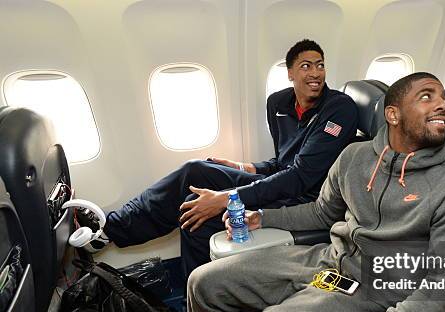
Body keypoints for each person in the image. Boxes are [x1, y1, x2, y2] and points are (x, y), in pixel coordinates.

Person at [94, 72, 445, 312]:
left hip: (376, 289)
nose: (442, 106)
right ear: (393, 114)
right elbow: (320, 212)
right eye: (427, 96)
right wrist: (260, 216)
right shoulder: (355, 158)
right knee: (203, 282)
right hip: (327, 261)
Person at [76, 39, 358, 277]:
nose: (315, 73)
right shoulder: (280, 104)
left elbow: (301, 176)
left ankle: (199, 306)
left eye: (320, 65)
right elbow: (281, 163)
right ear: (290, 73)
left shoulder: (339, 110)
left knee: (194, 211)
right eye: (305, 66)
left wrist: (224, 199)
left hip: (307, 197)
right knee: (194, 170)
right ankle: (107, 229)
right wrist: (241, 167)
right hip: (281, 182)